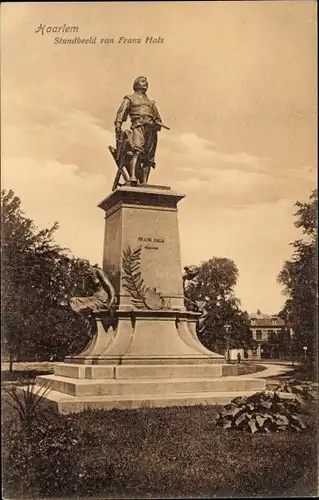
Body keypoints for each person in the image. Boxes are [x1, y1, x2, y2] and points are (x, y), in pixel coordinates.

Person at [114, 76, 163, 185]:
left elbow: (158, 119)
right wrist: (118, 125)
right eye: (143, 81)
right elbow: (122, 112)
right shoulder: (130, 98)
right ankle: (133, 176)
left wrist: (157, 123)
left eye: (147, 81)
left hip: (151, 130)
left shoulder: (151, 103)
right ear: (136, 84)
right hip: (138, 127)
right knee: (137, 150)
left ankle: (145, 182)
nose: (146, 83)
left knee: (148, 158)